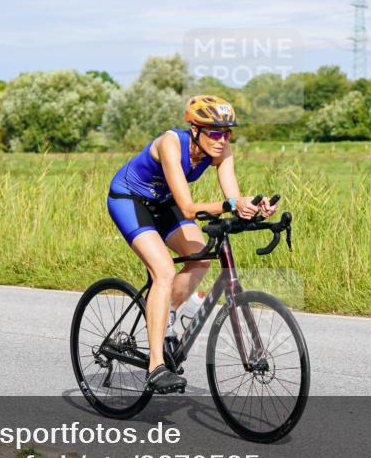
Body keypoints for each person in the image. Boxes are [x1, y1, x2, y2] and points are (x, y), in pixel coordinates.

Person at [107, 95, 276, 393]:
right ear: (195, 129)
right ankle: (156, 365)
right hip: (129, 200)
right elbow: (187, 207)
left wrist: (252, 207)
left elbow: (233, 197)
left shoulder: (221, 150)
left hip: (163, 203)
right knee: (163, 272)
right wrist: (231, 203)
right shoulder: (171, 144)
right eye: (214, 132)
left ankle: (166, 313)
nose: (222, 140)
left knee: (201, 257)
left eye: (226, 133)